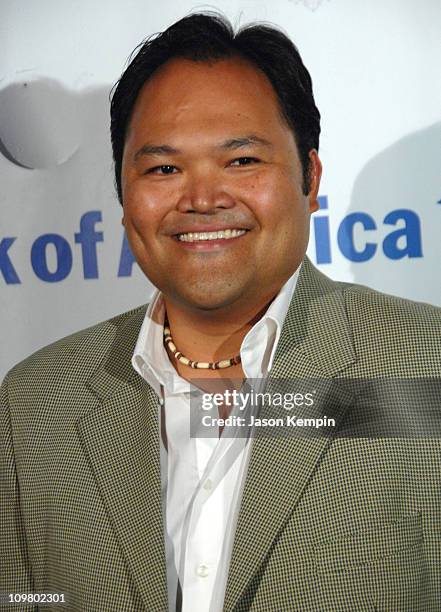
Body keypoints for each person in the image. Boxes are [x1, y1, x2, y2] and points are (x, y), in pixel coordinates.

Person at [1, 12, 440, 612]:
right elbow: (29, 598)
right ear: (123, 196)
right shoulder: (35, 402)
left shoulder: (421, 367)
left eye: (241, 161)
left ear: (309, 178)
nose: (203, 199)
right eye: (163, 168)